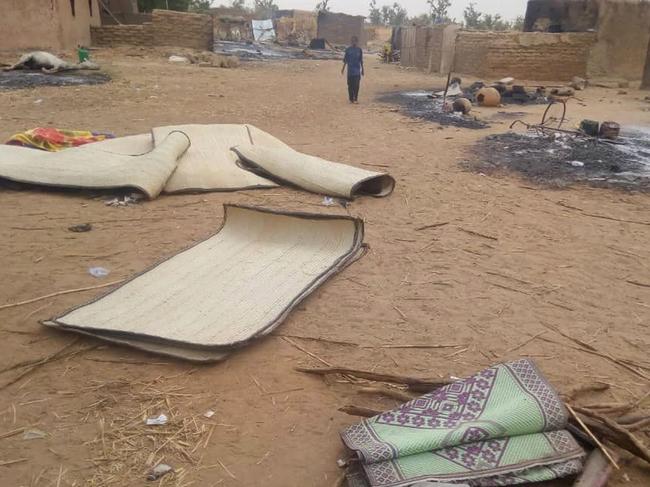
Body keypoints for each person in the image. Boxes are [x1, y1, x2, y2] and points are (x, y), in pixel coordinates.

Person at [342, 36, 364, 104]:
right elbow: (345, 60)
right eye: (352, 41)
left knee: (356, 85)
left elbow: (361, 60)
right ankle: (351, 98)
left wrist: (363, 69)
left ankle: (355, 98)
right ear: (351, 42)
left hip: (357, 71)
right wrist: (343, 68)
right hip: (350, 71)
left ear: (357, 42)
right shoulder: (348, 50)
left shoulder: (359, 50)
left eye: (355, 41)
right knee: (350, 85)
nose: (354, 42)